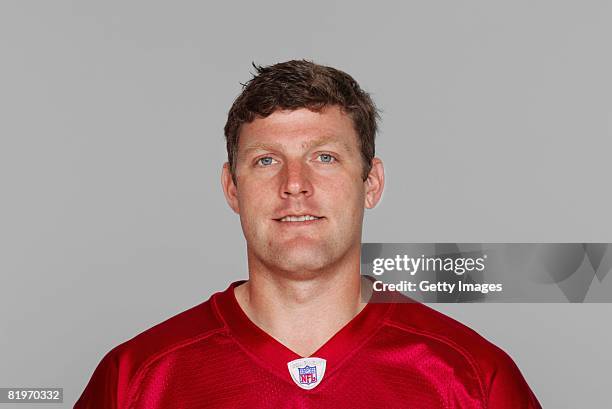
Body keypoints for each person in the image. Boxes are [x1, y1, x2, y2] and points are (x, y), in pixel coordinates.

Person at [75, 60, 542, 408]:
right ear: (232, 188)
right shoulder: (136, 379)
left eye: (324, 157)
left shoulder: (474, 377)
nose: (294, 184)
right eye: (266, 160)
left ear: (371, 183)